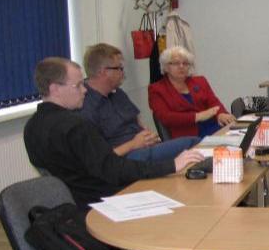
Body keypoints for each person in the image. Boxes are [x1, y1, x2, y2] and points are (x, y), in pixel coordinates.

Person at [24, 57, 204, 211]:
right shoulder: (76, 126)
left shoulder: (31, 127)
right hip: (104, 202)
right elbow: (114, 169)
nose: (84, 90)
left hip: (74, 205)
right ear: (55, 89)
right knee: (178, 195)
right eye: (78, 85)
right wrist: (172, 165)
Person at [79, 43, 199, 161]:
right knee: (192, 143)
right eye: (119, 68)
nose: (123, 73)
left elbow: (137, 121)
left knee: (195, 145)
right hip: (124, 158)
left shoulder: (118, 93)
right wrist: (134, 144)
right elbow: (98, 158)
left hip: (143, 147)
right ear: (103, 72)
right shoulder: (85, 105)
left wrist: (148, 136)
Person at [148, 46, 236, 139]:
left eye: (185, 63)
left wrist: (221, 114)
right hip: (188, 136)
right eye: (176, 63)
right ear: (166, 67)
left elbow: (214, 102)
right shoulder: (156, 89)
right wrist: (198, 116)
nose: (181, 66)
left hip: (214, 125)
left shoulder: (200, 81)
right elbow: (166, 117)